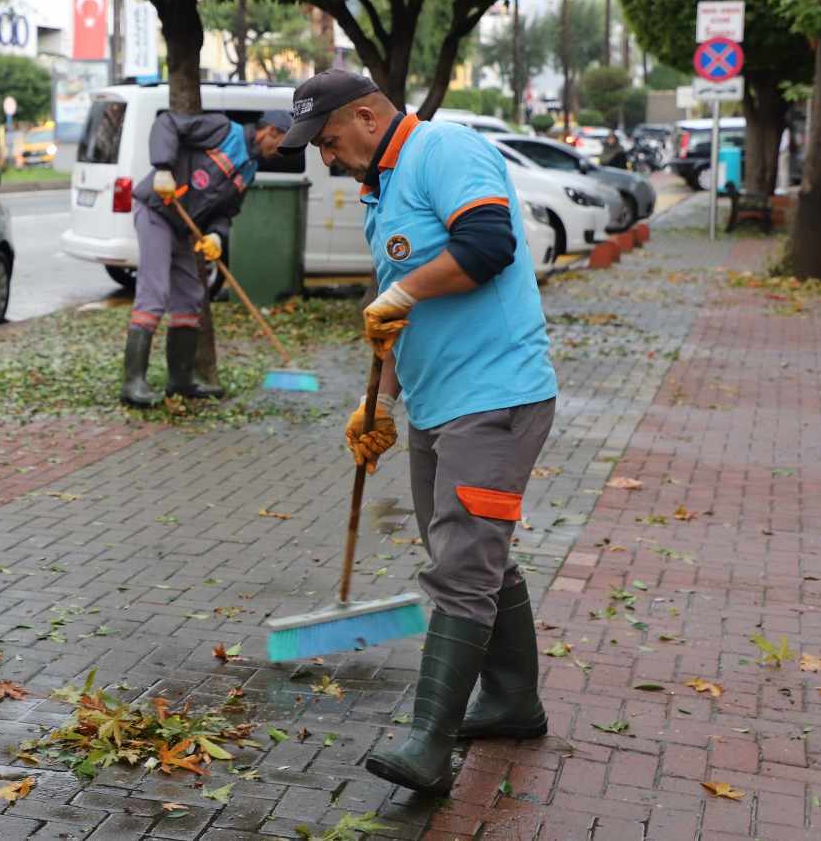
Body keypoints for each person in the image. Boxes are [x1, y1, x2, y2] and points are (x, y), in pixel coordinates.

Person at [278, 70, 558, 796]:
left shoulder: (445, 150)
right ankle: (513, 702)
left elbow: (488, 243)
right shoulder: (382, 192)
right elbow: (401, 314)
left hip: (495, 395)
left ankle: (429, 745)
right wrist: (380, 402)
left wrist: (399, 289)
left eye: (332, 142)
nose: (329, 160)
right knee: (465, 546)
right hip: (439, 400)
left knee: (462, 566)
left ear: (368, 117)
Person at [120, 110, 288, 406]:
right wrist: (163, 168)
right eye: (282, 143)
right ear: (270, 131)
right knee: (155, 293)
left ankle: (181, 380)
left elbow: (225, 212)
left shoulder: (249, 170)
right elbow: (167, 123)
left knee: (190, 297)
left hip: (183, 227)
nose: (281, 152)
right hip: (156, 210)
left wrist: (216, 236)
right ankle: (132, 384)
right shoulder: (222, 130)